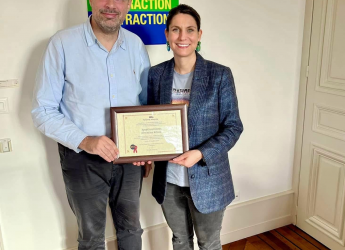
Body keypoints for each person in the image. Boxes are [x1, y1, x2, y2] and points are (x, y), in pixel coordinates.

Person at [31, 0, 151, 249]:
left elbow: (144, 103)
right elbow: (42, 110)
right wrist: (86, 141)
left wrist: (148, 146)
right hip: (82, 158)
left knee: (131, 229)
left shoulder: (135, 46)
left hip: (130, 158)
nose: (110, 5)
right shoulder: (62, 43)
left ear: (128, 4)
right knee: (91, 237)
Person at [147, 4, 243, 250]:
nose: (183, 37)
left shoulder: (220, 74)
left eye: (190, 30)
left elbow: (233, 127)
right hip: (168, 179)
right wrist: (143, 152)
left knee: (208, 243)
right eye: (176, 30)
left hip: (209, 177)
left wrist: (200, 153)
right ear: (167, 34)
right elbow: (148, 122)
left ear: (199, 35)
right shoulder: (156, 75)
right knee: (180, 240)